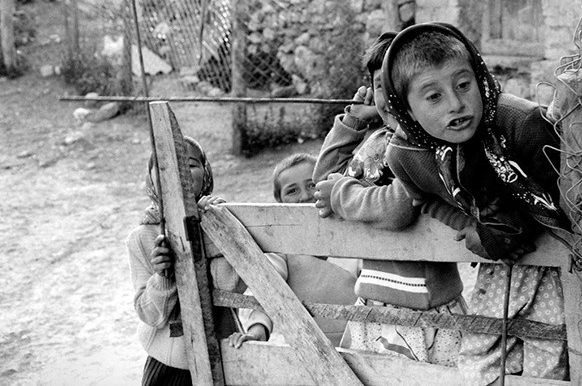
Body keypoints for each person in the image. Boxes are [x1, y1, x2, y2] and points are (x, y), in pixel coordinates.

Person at [379, 22, 572, 384]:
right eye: (433, 96)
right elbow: (424, 200)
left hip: (559, 264)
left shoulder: (521, 124)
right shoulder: (407, 155)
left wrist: (509, 230)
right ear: (405, 108)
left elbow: (562, 198)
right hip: (496, 270)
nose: (456, 104)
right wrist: (471, 226)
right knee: (481, 361)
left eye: (463, 85)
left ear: (480, 76)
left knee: (550, 361)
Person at [313, 32, 466, 366]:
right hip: (373, 298)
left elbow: (398, 207)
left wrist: (341, 195)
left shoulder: (425, 143)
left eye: (396, 84)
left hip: (422, 306)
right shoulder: (379, 140)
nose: (388, 95)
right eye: (380, 86)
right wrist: (353, 123)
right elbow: (323, 180)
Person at [125, 136, 284, 386]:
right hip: (166, 365)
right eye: (165, 165)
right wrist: (163, 277)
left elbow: (229, 286)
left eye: (189, 164)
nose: (178, 172)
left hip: (220, 356)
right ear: (151, 178)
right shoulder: (141, 238)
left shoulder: (220, 219)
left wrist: (218, 228)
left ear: (206, 174)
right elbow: (149, 315)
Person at [269, 152, 359, 346]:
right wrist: (258, 327)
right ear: (280, 202)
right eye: (292, 191)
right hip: (308, 351)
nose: (305, 196)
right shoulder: (281, 246)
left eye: (312, 185)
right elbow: (266, 281)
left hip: (360, 347)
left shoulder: (353, 237)